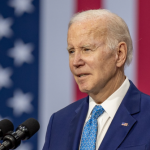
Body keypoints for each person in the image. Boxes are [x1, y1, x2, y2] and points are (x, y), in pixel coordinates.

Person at [42, 9, 150, 150]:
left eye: (86, 49)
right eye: (71, 51)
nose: (76, 62)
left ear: (119, 53)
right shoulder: (59, 122)